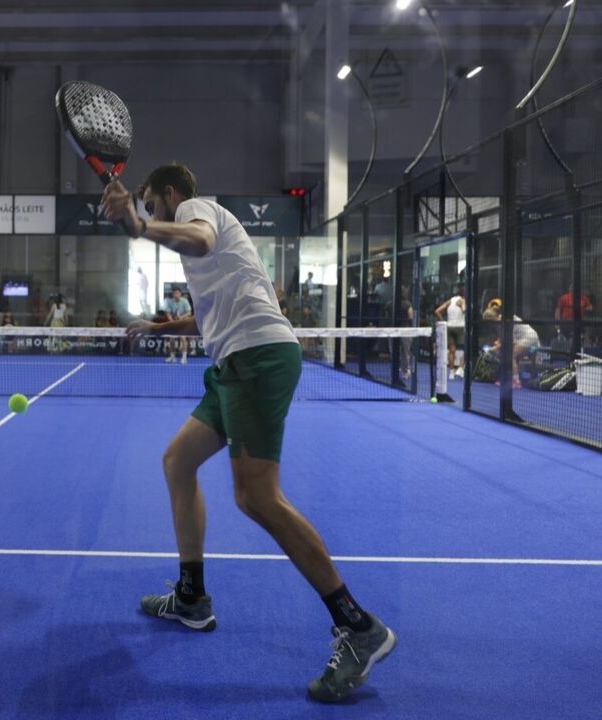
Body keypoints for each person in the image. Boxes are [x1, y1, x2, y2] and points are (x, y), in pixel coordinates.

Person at [102, 163, 394, 703]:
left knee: (257, 497)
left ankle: (358, 627)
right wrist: (162, 326)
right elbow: (212, 314)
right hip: (234, 362)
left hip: (256, 359)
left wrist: (140, 229)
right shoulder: (208, 255)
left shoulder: (196, 211)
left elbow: (198, 236)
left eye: (150, 203)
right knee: (178, 461)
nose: (148, 212)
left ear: (169, 195)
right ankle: (192, 597)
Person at [483, 298, 540, 388]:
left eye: (491, 321)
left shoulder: (506, 319)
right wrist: (497, 345)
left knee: (511, 355)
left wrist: (493, 349)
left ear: (495, 317)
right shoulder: (498, 324)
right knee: (503, 353)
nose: (490, 324)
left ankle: (516, 381)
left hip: (530, 338)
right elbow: (503, 339)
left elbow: (509, 341)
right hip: (521, 339)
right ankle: (506, 378)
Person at [434, 288, 466, 380]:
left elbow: (437, 311)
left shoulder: (450, 301)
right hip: (460, 327)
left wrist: (444, 321)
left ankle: (451, 373)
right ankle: (460, 368)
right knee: (468, 348)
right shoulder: (462, 300)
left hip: (449, 327)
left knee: (452, 351)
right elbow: (464, 310)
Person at [162, 286, 192, 364]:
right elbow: (168, 313)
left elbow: (189, 312)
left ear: (180, 294)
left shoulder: (185, 301)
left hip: (183, 323)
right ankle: (172, 357)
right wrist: (173, 322)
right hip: (174, 322)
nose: (176, 295)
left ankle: (184, 358)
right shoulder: (169, 302)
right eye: (174, 293)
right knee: (171, 340)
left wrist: (181, 318)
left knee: (183, 338)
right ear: (173, 294)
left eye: (177, 293)